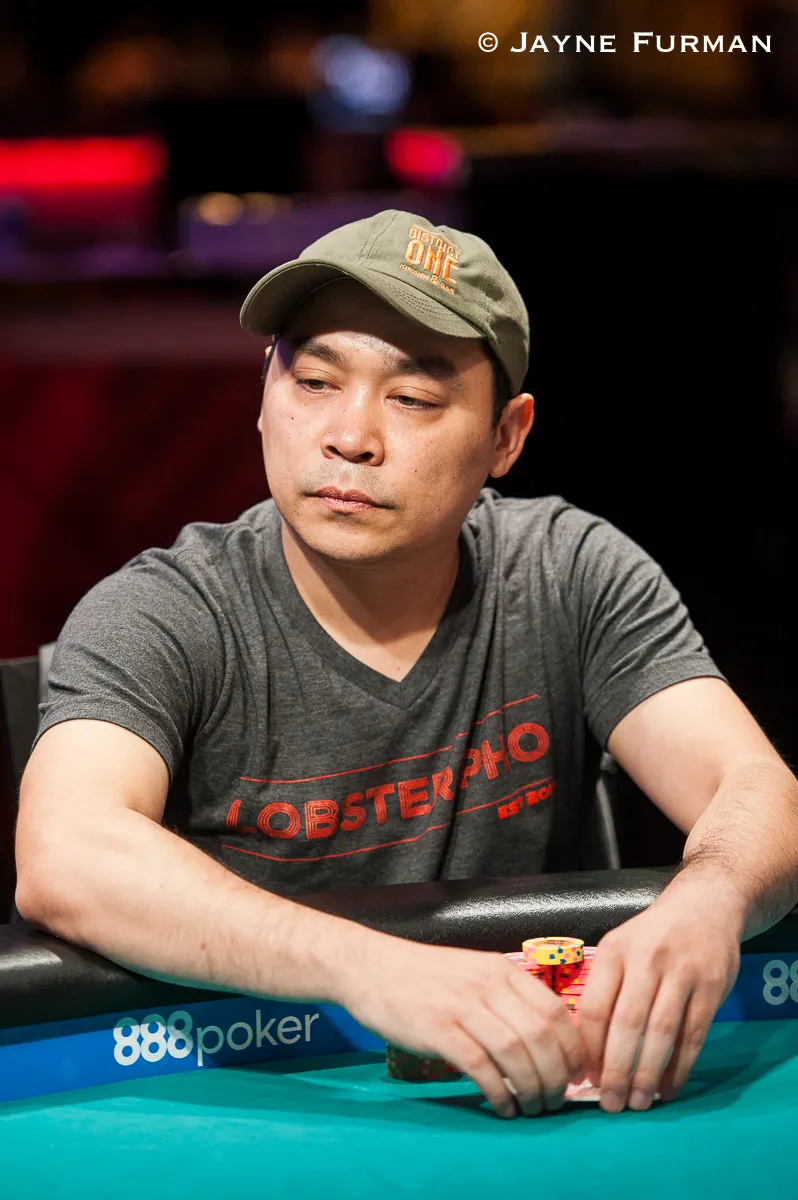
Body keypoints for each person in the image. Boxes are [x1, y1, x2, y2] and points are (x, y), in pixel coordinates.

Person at [15, 210, 798, 1119]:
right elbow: (66, 854)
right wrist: (374, 969)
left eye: (414, 398)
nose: (350, 436)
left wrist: (709, 901)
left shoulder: (568, 571)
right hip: (247, 1096)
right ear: (263, 394)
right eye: (314, 381)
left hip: (540, 1106)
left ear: (506, 437)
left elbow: (755, 788)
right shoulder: (165, 610)